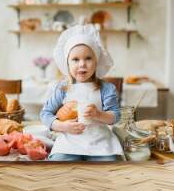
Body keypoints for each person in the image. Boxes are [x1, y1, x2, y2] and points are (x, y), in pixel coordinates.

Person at [40, 24, 124, 161]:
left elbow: (115, 116)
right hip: (70, 140)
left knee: (109, 163)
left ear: (96, 62)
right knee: (58, 162)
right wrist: (62, 126)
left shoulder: (106, 88)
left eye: (88, 58)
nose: (82, 64)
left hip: (99, 141)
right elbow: (45, 114)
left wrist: (98, 114)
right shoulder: (62, 88)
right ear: (67, 63)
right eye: (75, 59)